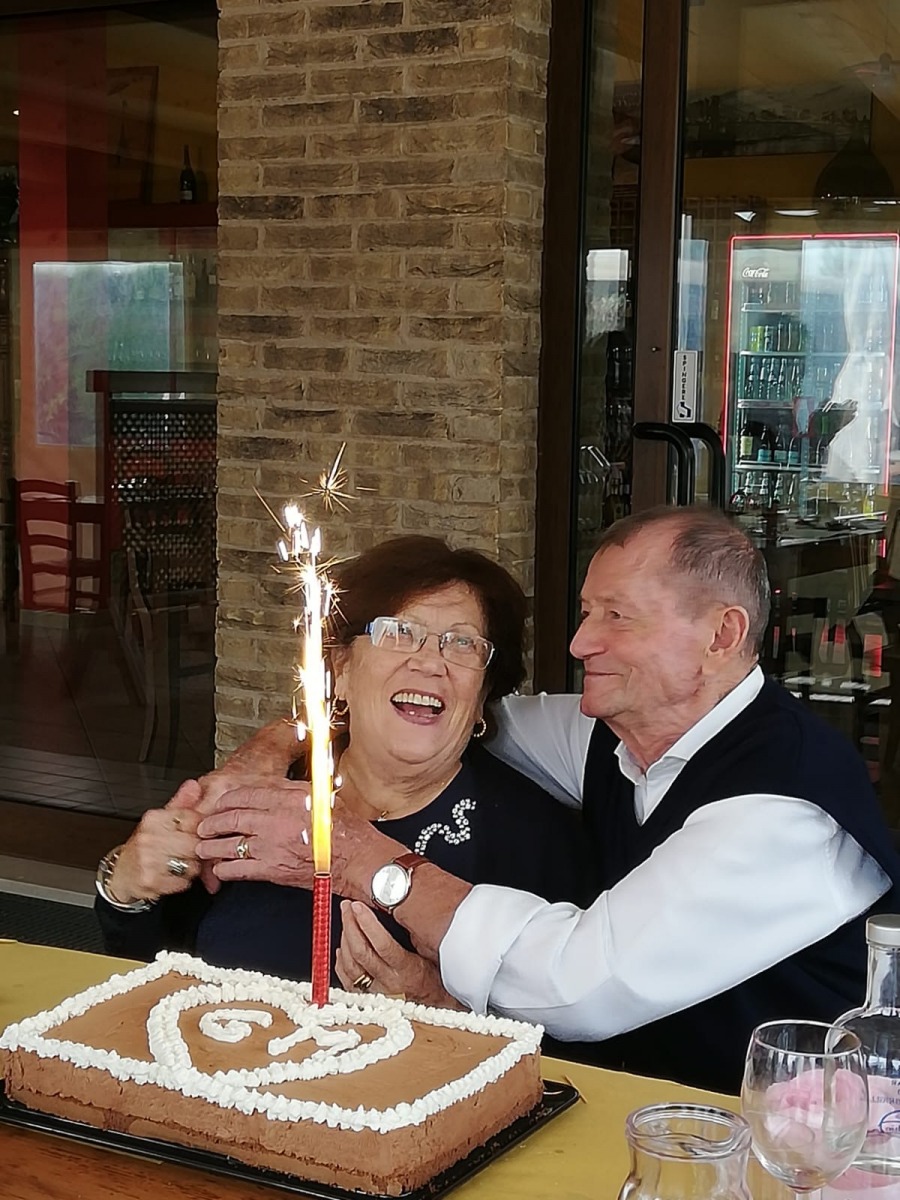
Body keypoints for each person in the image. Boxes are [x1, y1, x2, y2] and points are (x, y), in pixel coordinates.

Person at [196, 506, 900, 1093]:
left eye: (617, 616)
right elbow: (430, 713)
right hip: (647, 1108)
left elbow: (574, 983)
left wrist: (363, 860)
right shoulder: (614, 734)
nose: (581, 641)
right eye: (588, 612)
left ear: (722, 635)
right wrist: (268, 750)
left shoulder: (785, 809)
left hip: (797, 1139)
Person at [94, 535, 586, 998]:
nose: (430, 663)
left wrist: (439, 1004)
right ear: (340, 669)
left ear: (482, 698)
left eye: (462, 644)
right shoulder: (260, 792)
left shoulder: (535, 840)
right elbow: (147, 965)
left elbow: (563, 1033)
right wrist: (126, 884)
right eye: (400, 632)